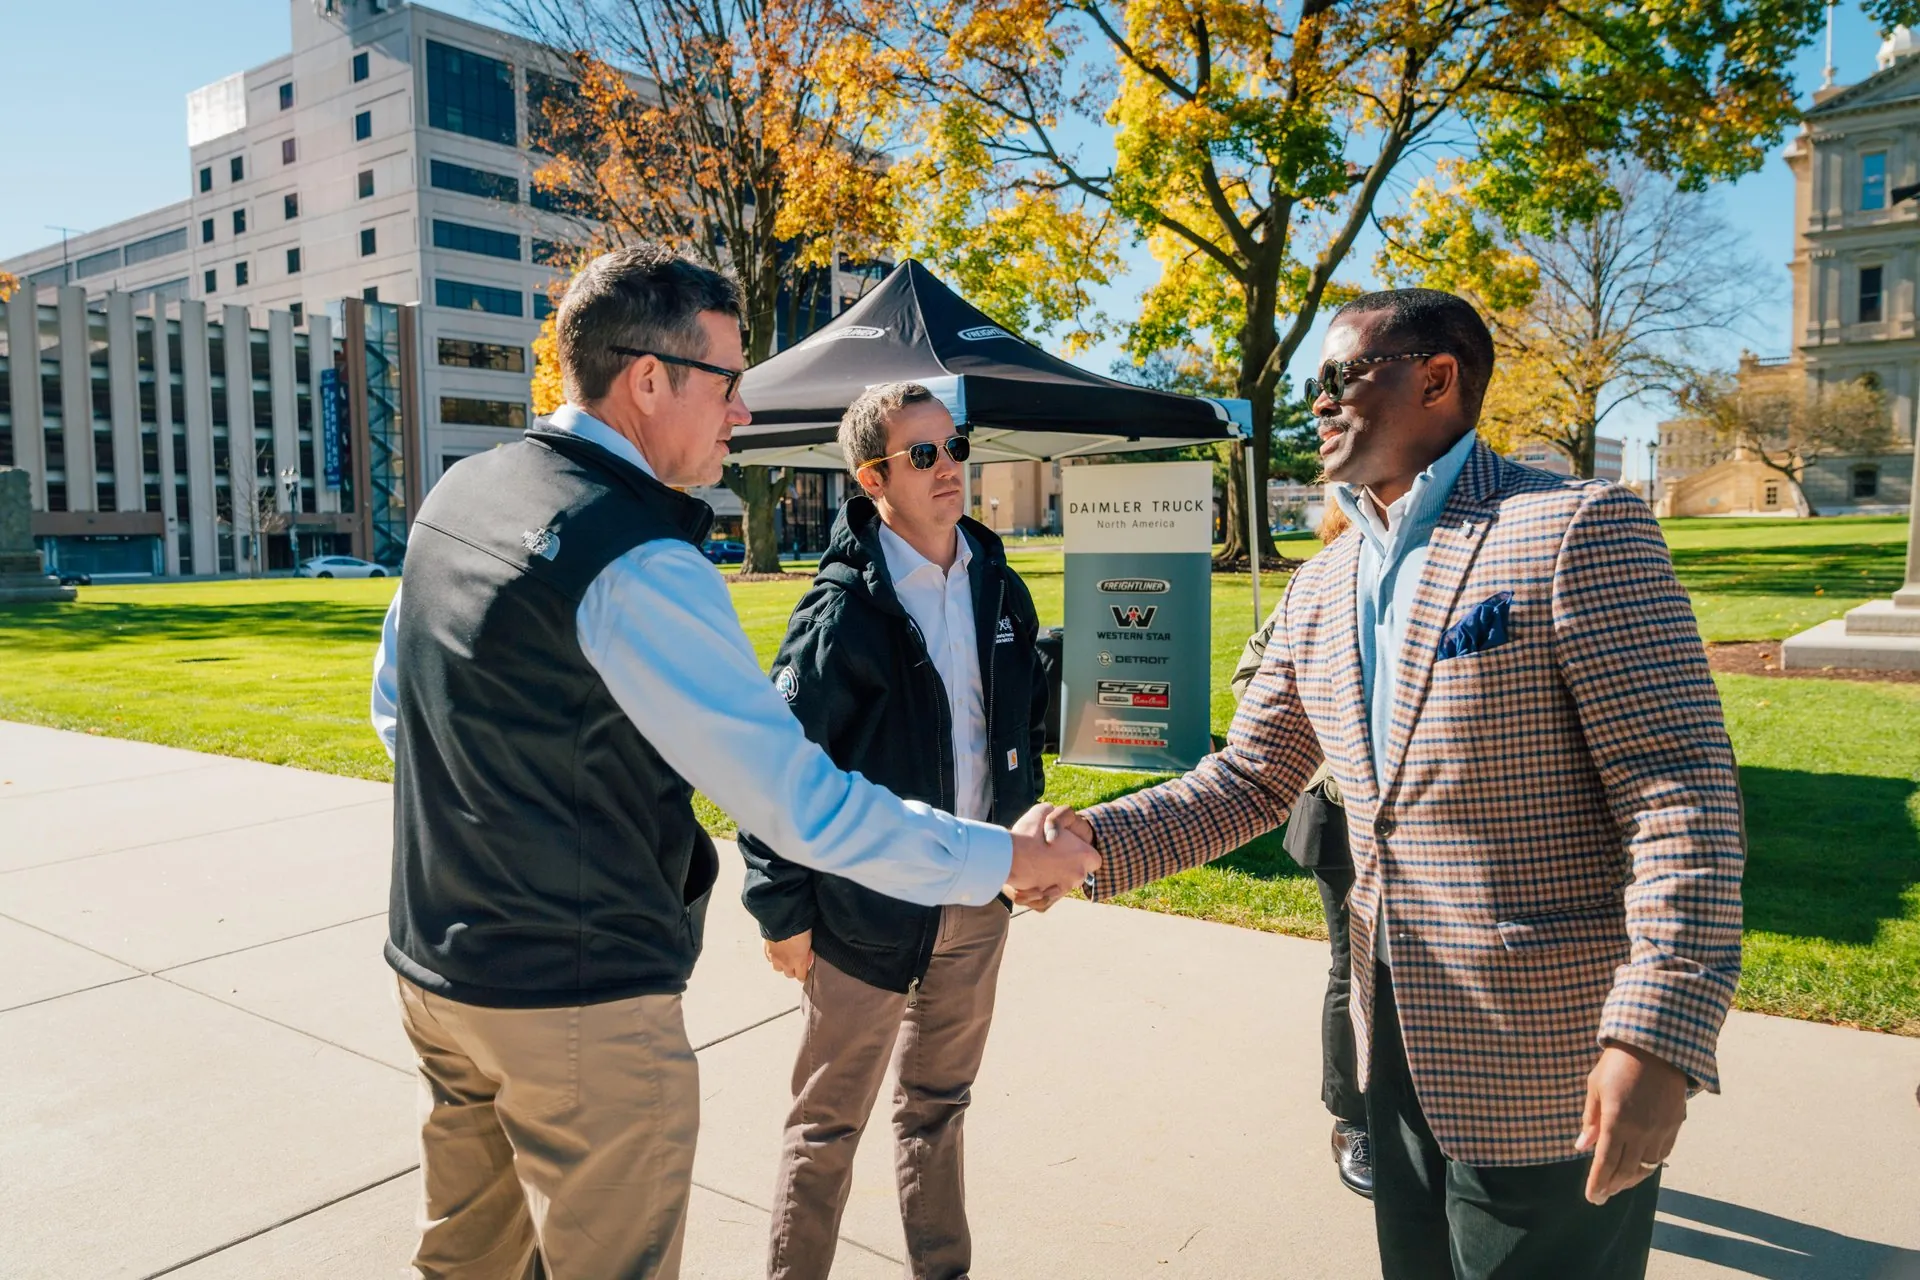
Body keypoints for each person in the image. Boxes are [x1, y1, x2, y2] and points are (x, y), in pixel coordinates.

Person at [368, 246, 1097, 1279]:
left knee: (465, 1264)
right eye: (727, 381)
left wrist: (501, 816)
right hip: (579, 1002)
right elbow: (800, 803)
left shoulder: (463, 492)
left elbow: (400, 708)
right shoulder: (634, 559)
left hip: (437, 972)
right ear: (648, 378)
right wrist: (1000, 859)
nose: (742, 413)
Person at [1042, 288, 1744, 1278]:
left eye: (1339, 378)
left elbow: (1679, 791)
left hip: (1556, 1060)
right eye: (1310, 385)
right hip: (1398, 1049)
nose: (1317, 404)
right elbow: (1249, 777)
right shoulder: (1323, 582)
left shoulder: (1574, 526)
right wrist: (1091, 842)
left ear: (1438, 378)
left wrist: (1659, 1033)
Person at [739, 382, 1047, 1280]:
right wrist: (781, 910)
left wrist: (1021, 834)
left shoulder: (997, 581)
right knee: (827, 1124)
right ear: (875, 477)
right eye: (924, 455)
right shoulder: (840, 613)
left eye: (956, 447)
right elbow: (773, 772)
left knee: (940, 1107)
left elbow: (1016, 729)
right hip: (864, 912)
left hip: (978, 899)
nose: (949, 467)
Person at [1231, 503, 1371, 1200]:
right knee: (1354, 969)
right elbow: (1252, 676)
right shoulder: (1316, 583)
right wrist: (1323, 762)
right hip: (1339, 820)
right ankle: (1353, 1121)